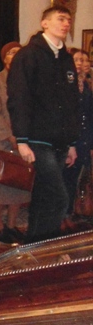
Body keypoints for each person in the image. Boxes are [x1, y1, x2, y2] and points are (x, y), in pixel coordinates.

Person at [7, 5, 79, 242]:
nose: (65, 24)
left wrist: (71, 143)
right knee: (59, 197)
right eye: (60, 19)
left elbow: (71, 102)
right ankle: (48, 246)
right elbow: (19, 98)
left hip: (60, 140)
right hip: (37, 139)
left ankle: (35, 248)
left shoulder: (66, 59)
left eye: (68, 20)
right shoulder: (29, 55)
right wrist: (22, 140)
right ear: (44, 23)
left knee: (43, 197)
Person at [0, 42, 31, 243]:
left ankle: (11, 225)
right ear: (4, 58)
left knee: (19, 183)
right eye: (11, 53)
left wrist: (24, 137)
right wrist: (10, 136)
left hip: (24, 140)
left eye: (18, 52)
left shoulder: (29, 79)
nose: (15, 56)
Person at [62, 49, 93, 217]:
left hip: (84, 138)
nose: (82, 64)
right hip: (68, 138)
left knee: (75, 179)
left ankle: (69, 213)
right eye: (78, 60)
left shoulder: (87, 86)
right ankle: (61, 216)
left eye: (85, 60)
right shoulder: (65, 84)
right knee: (65, 178)